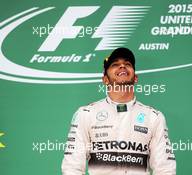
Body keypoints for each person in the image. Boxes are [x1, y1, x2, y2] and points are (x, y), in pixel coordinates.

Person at [61, 47, 176, 175]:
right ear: (105, 79)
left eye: (127, 64)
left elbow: (165, 169)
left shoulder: (154, 117)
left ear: (136, 77)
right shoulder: (86, 114)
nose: (122, 66)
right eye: (115, 64)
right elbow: (72, 168)